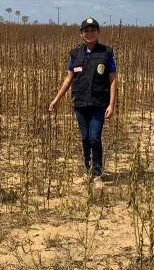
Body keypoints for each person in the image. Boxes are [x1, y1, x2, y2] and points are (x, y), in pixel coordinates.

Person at [48, 17, 117, 188]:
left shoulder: (106, 53)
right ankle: (87, 171)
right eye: (86, 30)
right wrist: (57, 99)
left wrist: (111, 104)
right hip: (80, 103)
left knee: (94, 138)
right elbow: (69, 78)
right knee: (85, 138)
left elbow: (113, 80)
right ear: (81, 34)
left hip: (99, 104)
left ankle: (97, 174)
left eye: (93, 30)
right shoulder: (75, 54)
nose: (90, 33)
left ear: (98, 33)